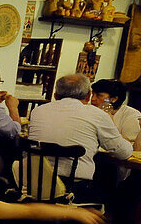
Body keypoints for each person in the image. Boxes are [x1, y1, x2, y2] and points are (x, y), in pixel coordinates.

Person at [27, 74, 132, 203]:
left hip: (32, 181)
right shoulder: (97, 115)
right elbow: (124, 152)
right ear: (88, 95)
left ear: (55, 95)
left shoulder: (38, 111)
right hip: (72, 188)